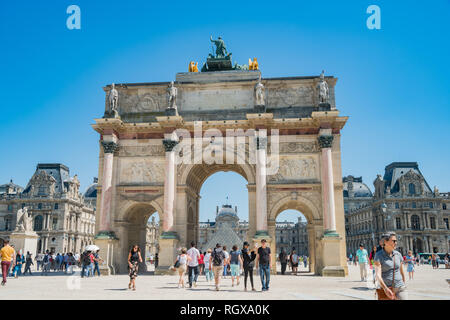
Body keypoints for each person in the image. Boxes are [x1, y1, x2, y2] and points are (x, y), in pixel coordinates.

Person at [374, 232, 408, 300]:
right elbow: (378, 275)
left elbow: (401, 272)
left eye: (396, 241)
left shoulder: (398, 254)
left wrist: (403, 283)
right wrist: (385, 288)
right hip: (386, 289)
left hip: (400, 287)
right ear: (386, 242)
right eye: (394, 241)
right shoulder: (378, 255)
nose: (396, 243)